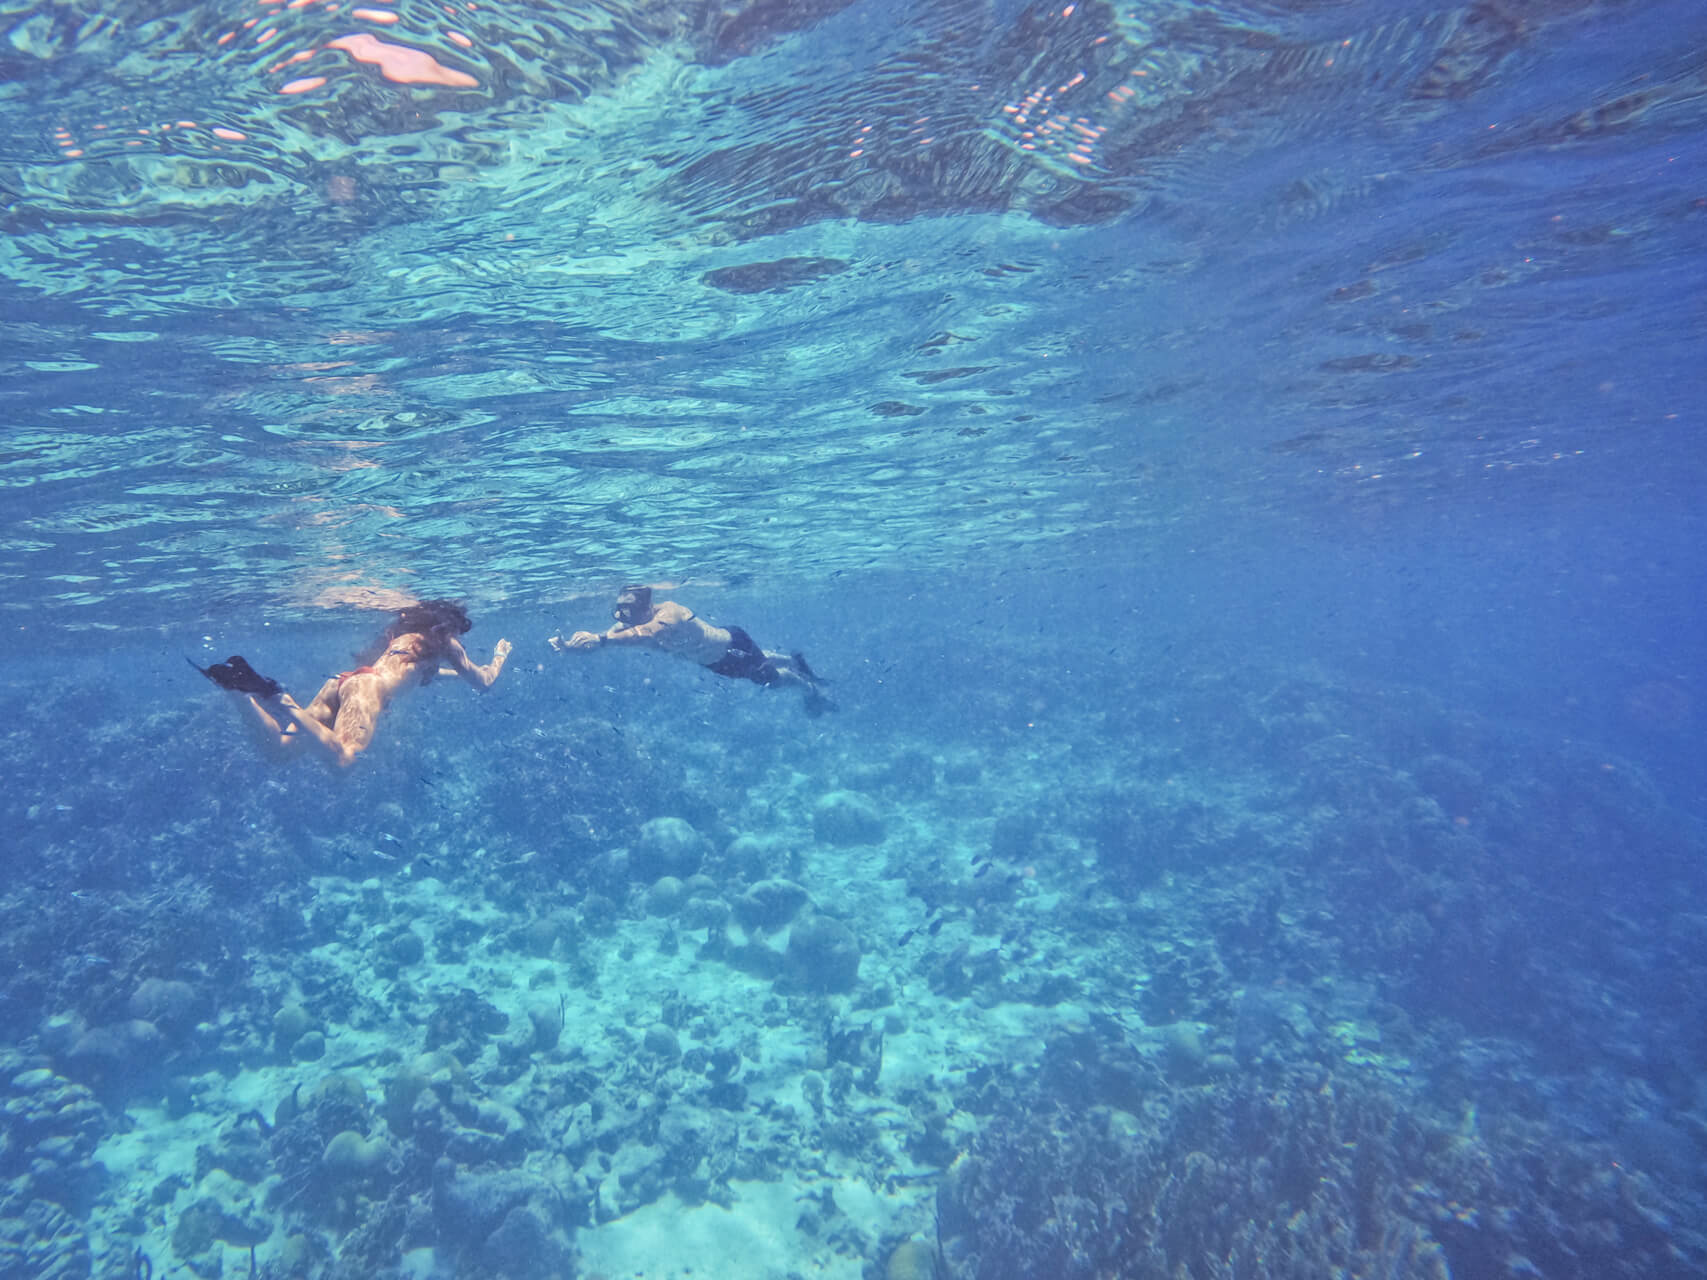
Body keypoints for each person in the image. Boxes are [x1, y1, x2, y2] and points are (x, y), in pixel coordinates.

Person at [195, 598, 511, 767]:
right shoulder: (446, 644)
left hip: (346, 683)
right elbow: (483, 682)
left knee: (279, 752)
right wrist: (499, 657)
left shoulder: (406, 642)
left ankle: (238, 694)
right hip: (367, 692)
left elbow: (417, 677)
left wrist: (451, 676)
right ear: (450, 626)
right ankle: (281, 700)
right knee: (345, 759)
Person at [549, 585, 833, 715]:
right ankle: (793, 660)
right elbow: (605, 639)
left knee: (766, 677)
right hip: (718, 662)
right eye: (620, 612)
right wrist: (572, 647)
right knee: (758, 665)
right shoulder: (628, 627)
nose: (624, 620)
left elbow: (646, 632)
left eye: (630, 613)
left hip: (732, 647)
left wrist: (602, 640)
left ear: (647, 607)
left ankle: (811, 690)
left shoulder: (670, 612)